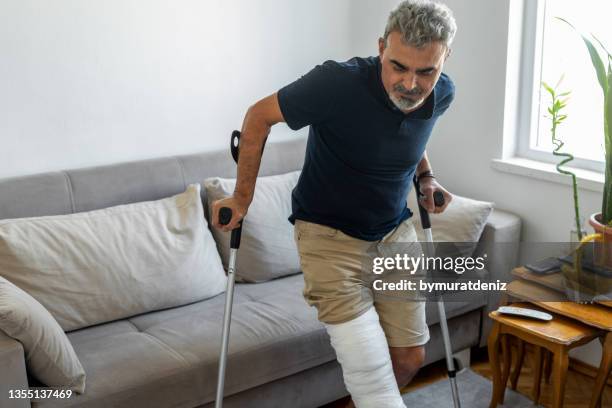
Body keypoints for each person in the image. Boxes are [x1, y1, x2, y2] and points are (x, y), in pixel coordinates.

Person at [211, 1, 457, 406]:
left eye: (426, 71)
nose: (410, 84)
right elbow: (259, 116)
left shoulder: (442, 94)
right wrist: (241, 197)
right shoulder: (335, 83)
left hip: (395, 234)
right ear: (381, 47)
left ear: (445, 58)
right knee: (373, 380)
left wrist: (426, 177)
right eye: (398, 66)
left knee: (411, 357)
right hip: (328, 237)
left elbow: (413, 134)